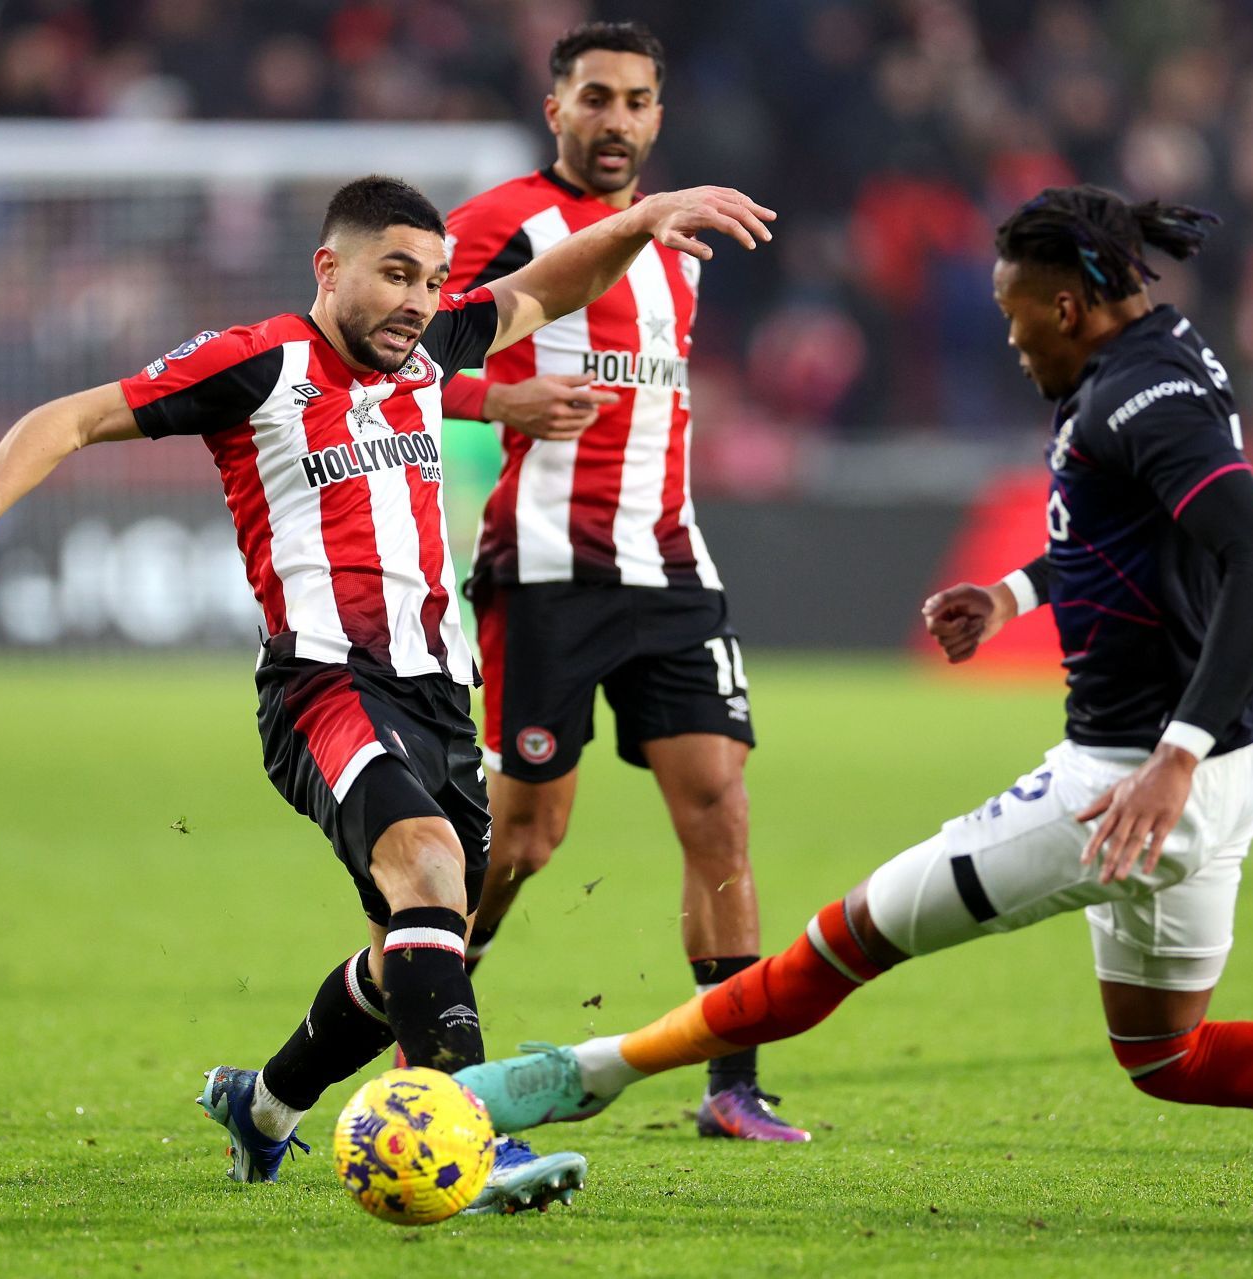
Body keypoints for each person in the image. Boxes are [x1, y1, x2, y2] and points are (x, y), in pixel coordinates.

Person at [450, 187, 1253, 1237]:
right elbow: (1139, 537)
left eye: (1015, 315)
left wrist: (1170, 759)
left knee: (843, 943)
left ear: (1066, 302)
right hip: (1224, 775)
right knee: (1167, 1052)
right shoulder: (1158, 352)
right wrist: (1015, 591)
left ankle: (579, 1074)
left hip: (1126, 783)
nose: (1009, 337)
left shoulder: (1141, 395)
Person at [0, 173, 775, 1212]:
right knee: (434, 872)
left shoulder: (434, 345)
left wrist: (634, 222)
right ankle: (469, 1128)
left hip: (441, 690)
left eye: (434, 280)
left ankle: (261, 1105)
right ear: (329, 267)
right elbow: (73, 416)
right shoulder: (257, 363)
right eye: (396, 273)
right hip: (323, 683)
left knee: (405, 946)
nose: (418, 299)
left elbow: (543, 289)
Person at [437, 20, 803, 1141]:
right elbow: (385, 362)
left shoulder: (683, 244)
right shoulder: (498, 224)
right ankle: (441, 985)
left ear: (658, 116)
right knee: (530, 837)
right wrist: (496, 401)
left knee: (719, 811)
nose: (616, 120)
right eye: (595, 98)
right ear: (557, 109)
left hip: (672, 566)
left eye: (638, 102)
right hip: (544, 572)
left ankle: (732, 1084)